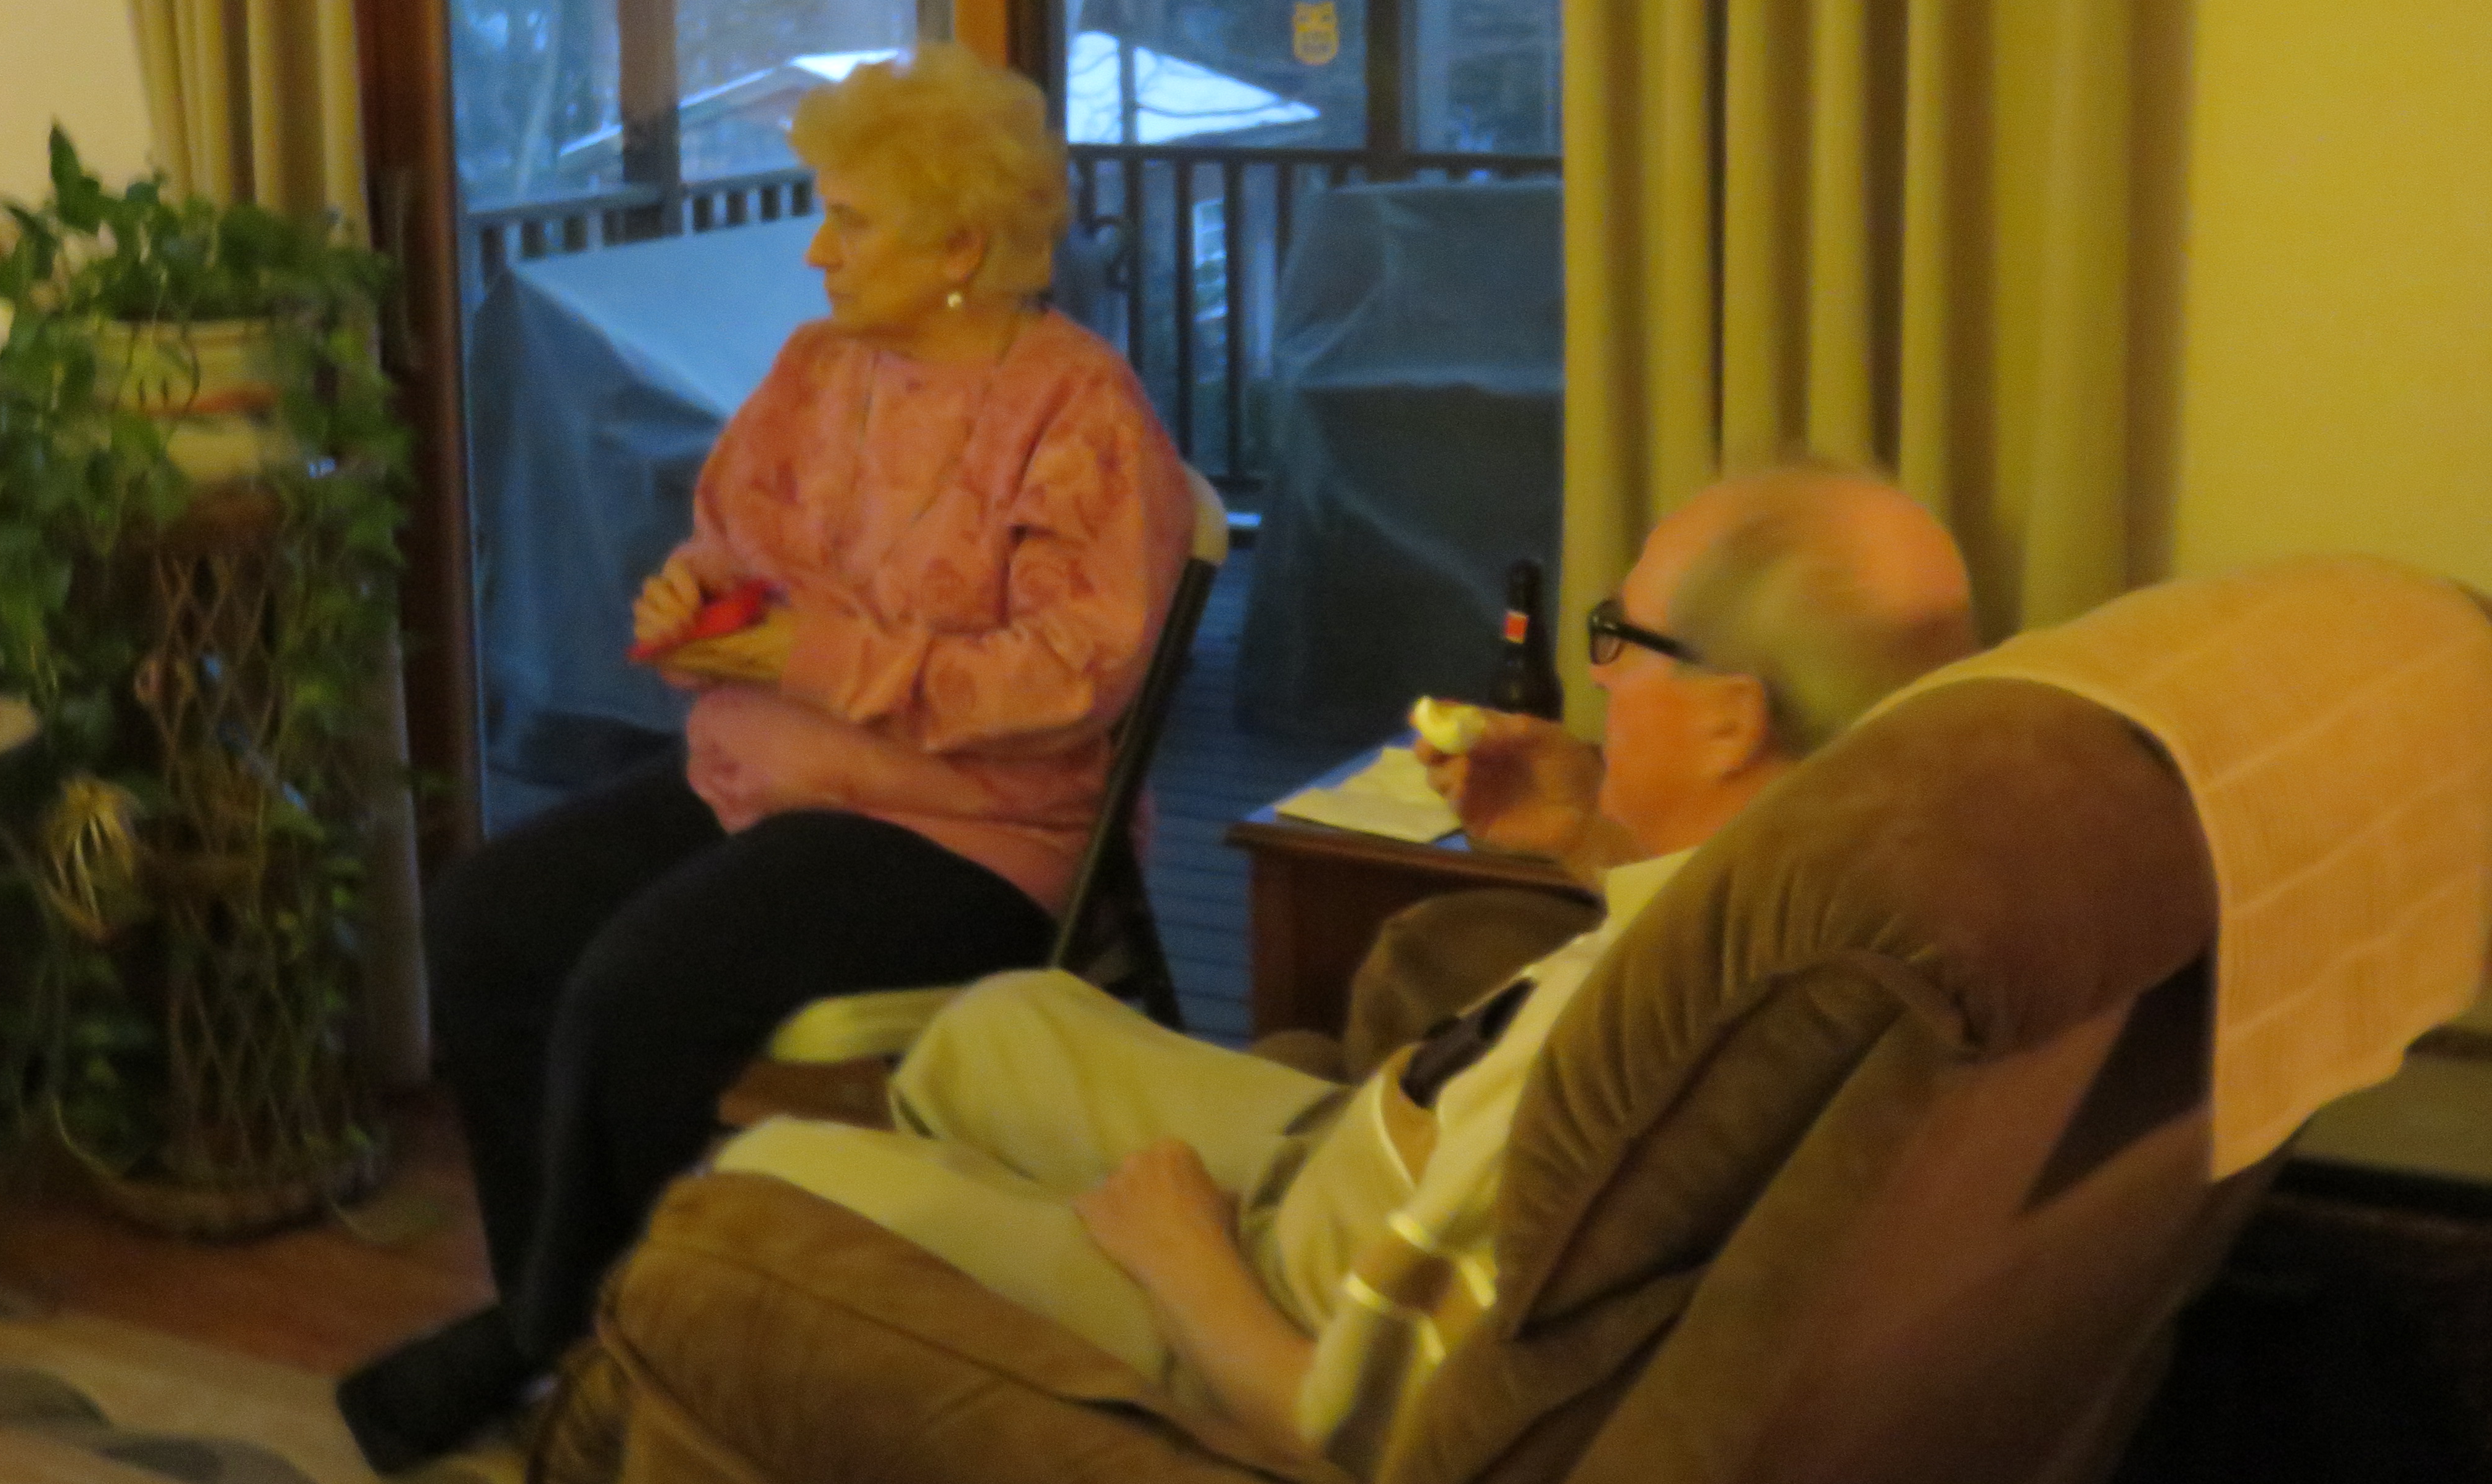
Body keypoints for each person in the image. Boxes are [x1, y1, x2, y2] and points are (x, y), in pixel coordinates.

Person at [714, 461, 1975, 1477]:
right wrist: (1585, 832)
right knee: (1006, 1022)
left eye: (1621, 638)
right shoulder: (1814, 885)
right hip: (1351, 1171)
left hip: (1267, 1317)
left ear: (1729, 718)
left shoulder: (1631, 1049)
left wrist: (1179, 1249)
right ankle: (955, 1283)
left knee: (770, 1182)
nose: (1598, 675)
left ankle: (941, 1332)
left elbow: (1381, 1436)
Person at [338, 46, 1194, 1473]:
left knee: (639, 990)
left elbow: (1067, 680)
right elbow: (734, 553)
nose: (816, 250)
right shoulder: (817, 372)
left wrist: (808, 655)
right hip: (770, 775)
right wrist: (700, 607)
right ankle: (572, 1314)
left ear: (961, 247)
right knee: (489, 917)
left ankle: (580, 1337)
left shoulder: (1082, 416)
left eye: (849, 220)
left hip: (968, 826)